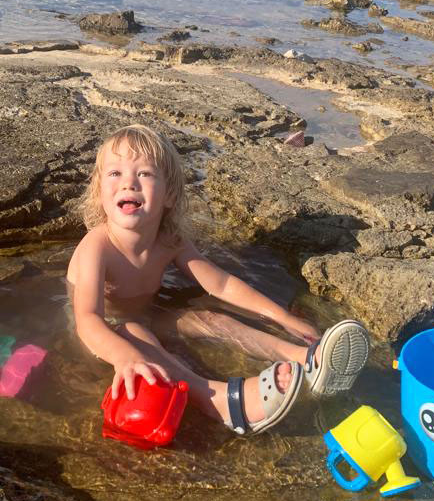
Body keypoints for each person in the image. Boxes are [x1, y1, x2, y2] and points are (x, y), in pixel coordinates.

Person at [66, 124, 370, 435]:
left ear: (169, 194)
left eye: (144, 173)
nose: (129, 183)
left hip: (150, 315)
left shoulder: (169, 241)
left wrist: (282, 317)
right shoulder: (97, 246)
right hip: (104, 332)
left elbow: (220, 284)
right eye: (115, 174)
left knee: (206, 317)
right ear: (99, 191)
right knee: (132, 330)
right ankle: (216, 400)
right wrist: (125, 357)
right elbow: (88, 320)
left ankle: (306, 359)